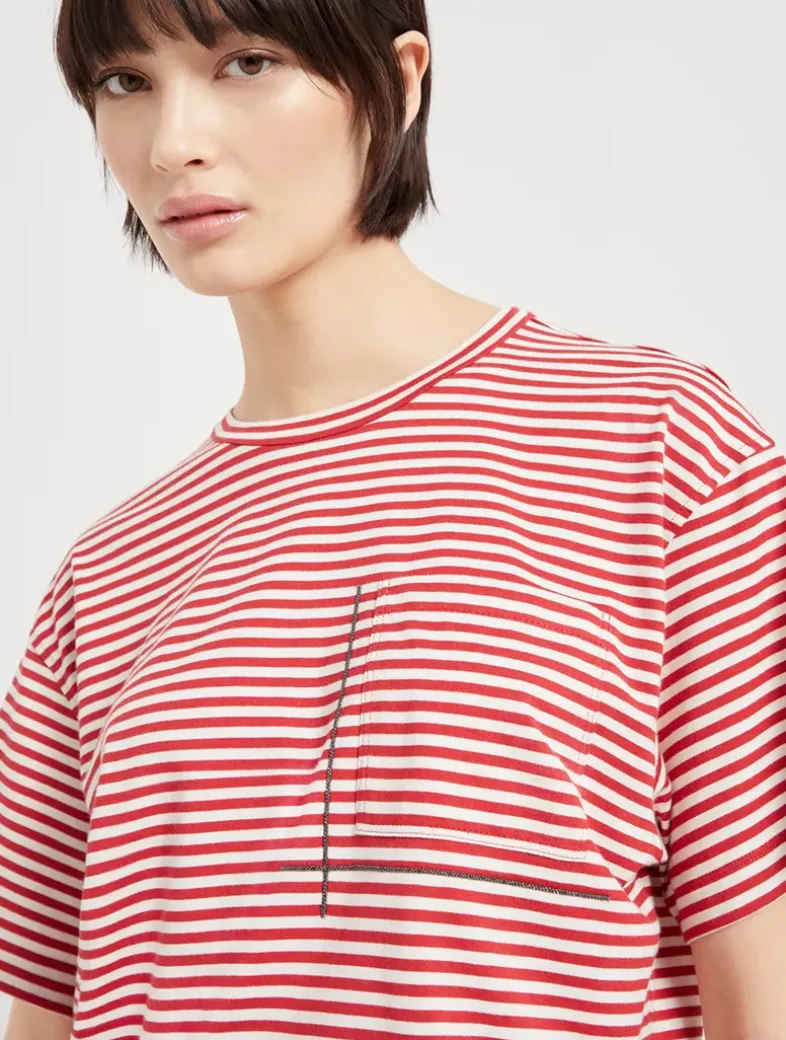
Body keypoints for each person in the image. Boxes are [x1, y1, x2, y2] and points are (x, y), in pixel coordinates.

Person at [2, 1, 785, 1038]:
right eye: (124, 81)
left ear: (401, 78)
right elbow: (44, 1012)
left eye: (248, 62)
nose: (171, 142)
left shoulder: (663, 452)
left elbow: (765, 999)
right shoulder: (105, 576)